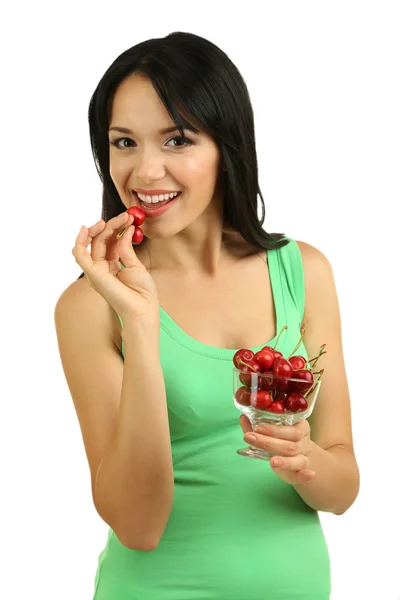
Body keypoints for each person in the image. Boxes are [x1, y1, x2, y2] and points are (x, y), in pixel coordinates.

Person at [54, 31, 360, 600]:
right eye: (124, 142)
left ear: (228, 145)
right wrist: (142, 326)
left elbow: (343, 491)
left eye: (176, 139)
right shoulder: (90, 306)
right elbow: (138, 526)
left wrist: (305, 459)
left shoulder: (302, 272)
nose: (145, 172)